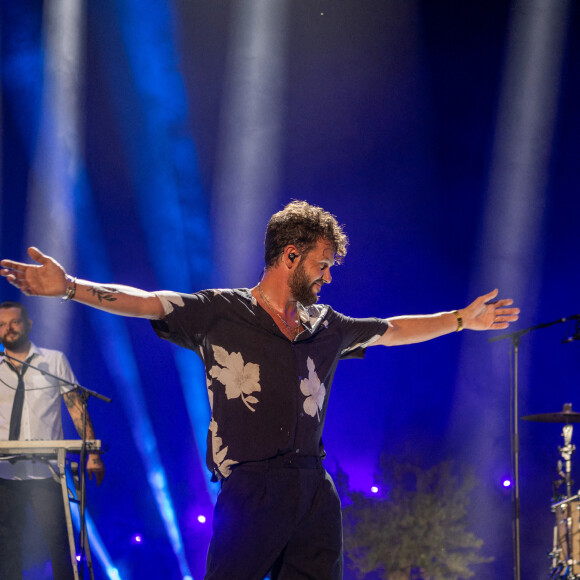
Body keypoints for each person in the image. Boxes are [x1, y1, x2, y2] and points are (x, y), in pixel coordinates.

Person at [0, 201, 519, 580]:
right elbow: (148, 303)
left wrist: (460, 320)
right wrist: (69, 287)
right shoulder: (221, 311)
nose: (328, 278)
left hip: (314, 490)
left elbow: (392, 329)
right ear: (290, 256)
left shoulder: (325, 325)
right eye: (322, 264)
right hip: (250, 491)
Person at [0, 301, 105, 580]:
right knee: (7, 548)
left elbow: (76, 408)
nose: (8, 328)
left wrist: (93, 454)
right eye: (1, 324)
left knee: (60, 544)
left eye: (14, 321)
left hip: (46, 471)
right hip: (3, 474)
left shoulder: (53, 361)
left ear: (28, 324)